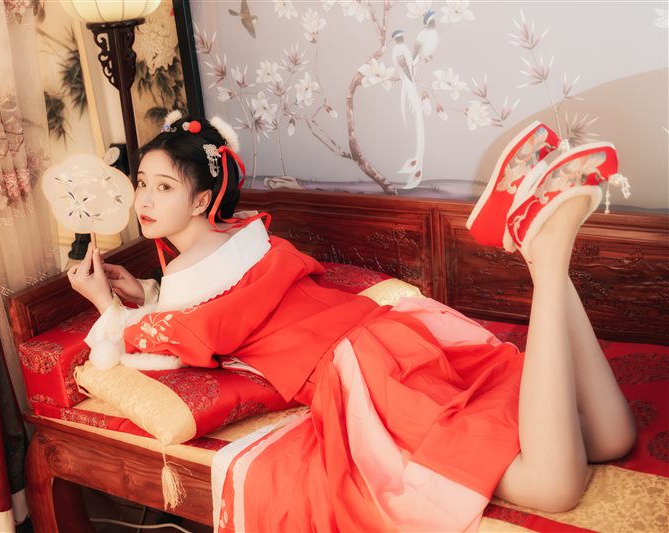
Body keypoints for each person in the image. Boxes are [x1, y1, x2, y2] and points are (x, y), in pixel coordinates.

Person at [68, 114, 635, 530]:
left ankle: (544, 256)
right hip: (393, 332)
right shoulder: (250, 238)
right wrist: (149, 291)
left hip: (365, 375)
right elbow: (210, 297)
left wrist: (107, 307)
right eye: (142, 182)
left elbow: (173, 346)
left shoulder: (187, 276)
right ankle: (542, 245)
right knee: (613, 436)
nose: (144, 199)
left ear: (200, 201)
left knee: (554, 487)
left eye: (162, 187)